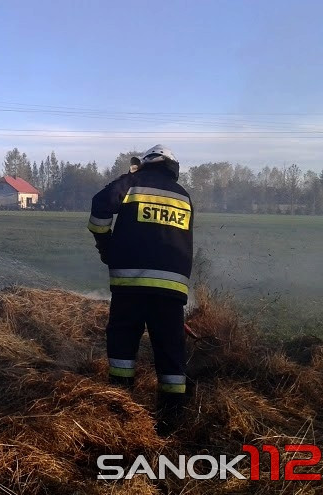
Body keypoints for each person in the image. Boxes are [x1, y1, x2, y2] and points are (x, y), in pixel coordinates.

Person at [87, 144, 194, 435]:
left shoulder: (132, 183)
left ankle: (121, 410)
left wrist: (105, 245)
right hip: (171, 291)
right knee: (171, 351)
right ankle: (173, 420)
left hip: (130, 285)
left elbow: (100, 207)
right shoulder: (183, 196)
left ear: (145, 164)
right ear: (173, 168)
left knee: (122, 346)